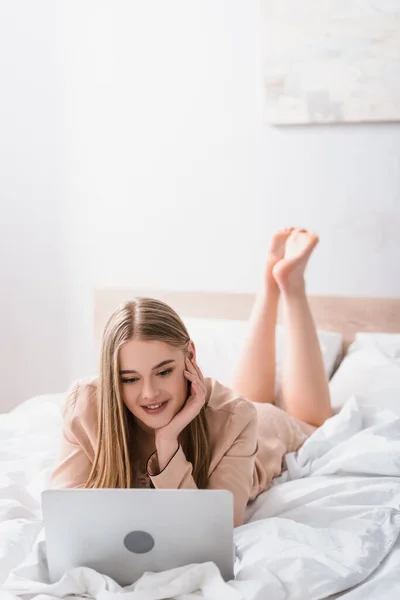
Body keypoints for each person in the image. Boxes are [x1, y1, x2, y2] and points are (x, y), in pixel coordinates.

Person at [51, 227, 332, 527]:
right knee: (240, 400)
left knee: (311, 421)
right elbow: (65, 516)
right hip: (227, 411)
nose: (149, 393)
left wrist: (168, 442)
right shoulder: (84, 406)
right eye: (130, 379)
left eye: (164, 371)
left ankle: (291, 286)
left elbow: (212, 528)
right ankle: (270, 279)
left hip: (260, 428)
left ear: (191, 356)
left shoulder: (236, 418)